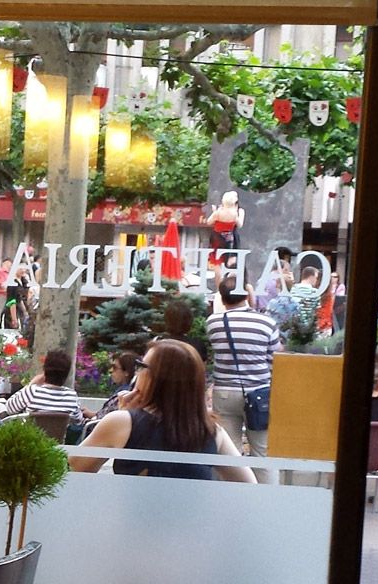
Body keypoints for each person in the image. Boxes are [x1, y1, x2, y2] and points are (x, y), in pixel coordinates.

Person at [69, 340, 256, 482]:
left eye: (142, 367)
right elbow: (248, 485)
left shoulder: (121, 422)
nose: (137, 373)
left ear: (158, 379)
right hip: (192, 531)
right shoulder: (211, 431)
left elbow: (72, 472)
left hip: (131, 531)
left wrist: (128, 417)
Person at [205, 275, 281, 481]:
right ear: (247, 293)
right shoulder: (267, 323)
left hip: (225, 393)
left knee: (229, 453)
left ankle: (230, 501)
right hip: (259, 394)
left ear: (222, 297)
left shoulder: (213, 322)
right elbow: (276, 361)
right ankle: (265, 502)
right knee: (263, 453)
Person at [0, 349, 84, 426]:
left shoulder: (33, 391)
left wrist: (31, 384)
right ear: (67, 374)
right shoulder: (71, 396)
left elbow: (10, 408)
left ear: (45, 370)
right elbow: (78, 421)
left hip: (32, 439)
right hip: (61, 441)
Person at [204, 190, 244, 261]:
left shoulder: (218, 212)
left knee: (216, 258)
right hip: (229, 236)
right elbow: (239, 224)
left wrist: (215, 212)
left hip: (217, 236)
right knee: (227, 257)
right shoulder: (235, 213)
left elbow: (209, 222)